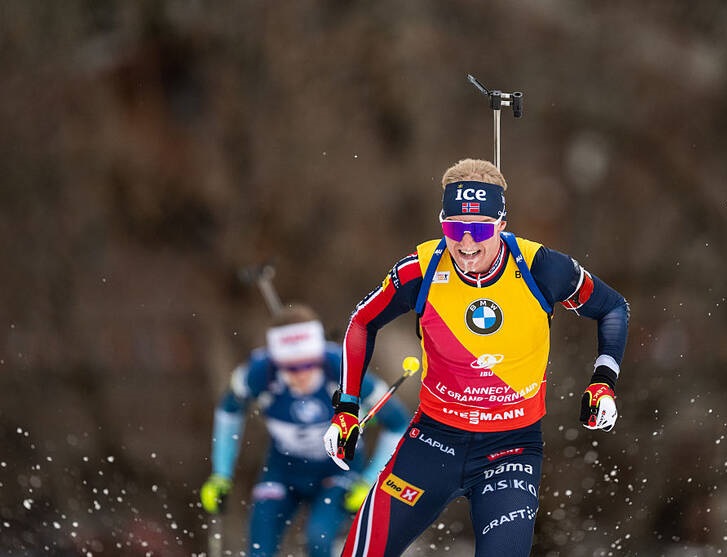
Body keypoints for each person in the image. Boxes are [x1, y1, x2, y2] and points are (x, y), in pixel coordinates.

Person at [323, 159, 630, 557]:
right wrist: (346, 407)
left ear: (501, 224)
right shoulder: (422, 269)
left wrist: (603, 382)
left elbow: (613, 308)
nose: (467, 244)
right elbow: (361, 322)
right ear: (442, 223)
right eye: (454, 229)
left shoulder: (541, 268)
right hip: (434, 440)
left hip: (511, 448)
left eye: (481, 229)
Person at [201, 303, 410, 557]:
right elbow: (228, 411)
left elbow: (399, 424)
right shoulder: (260, 373)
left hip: (338, 470)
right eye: (290, 367)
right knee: (259, 546)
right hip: (284, 468)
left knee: (318, 539)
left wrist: (369, 481)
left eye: (308, 364)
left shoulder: (343, 368)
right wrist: (221, 474)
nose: (301, 375)